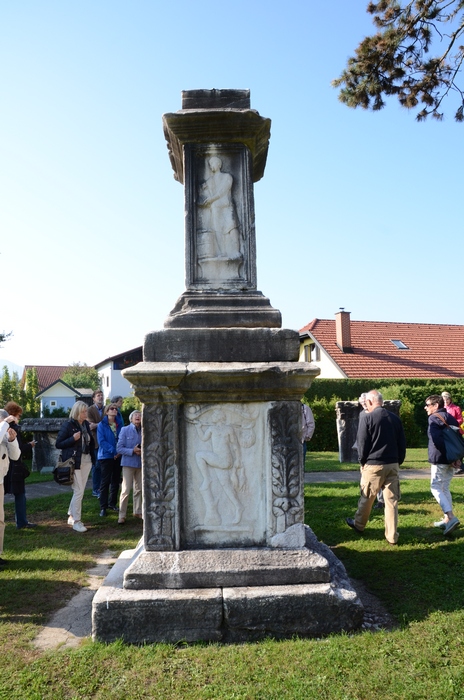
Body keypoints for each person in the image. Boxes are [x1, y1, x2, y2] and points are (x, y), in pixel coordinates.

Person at [346, 390, 406, 545]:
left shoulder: (367, 418)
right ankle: (392, 536)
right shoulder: (395, 418)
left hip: (373, 464)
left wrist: (362, 462)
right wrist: (399, 461)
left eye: (366, 403)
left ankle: (359, 525)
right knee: (391, 501)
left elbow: (362, 443)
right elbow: (402, 443)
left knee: (367, 497)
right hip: (392, 464)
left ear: (371, 402)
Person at [56, 401, 95, 533]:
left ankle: (72, 515)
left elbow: (89, 442)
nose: (86, 413)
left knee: (80, 490)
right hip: (74, 462)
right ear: (77, 412)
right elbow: (58, 444)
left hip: (86, 460)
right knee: (78, 491)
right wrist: (72, 438)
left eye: (86, 411)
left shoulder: (85, 425)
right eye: (83, 411)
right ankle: (77, 521)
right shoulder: (68, 425)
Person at [425, 394, 461, 535]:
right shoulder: (451, 418)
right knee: (445, 487)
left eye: (428, 405)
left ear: (436, 406)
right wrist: (456, 458)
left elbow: (437, 440)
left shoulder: (433, 418)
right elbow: (457, 439)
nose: (426, 408)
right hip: (451, 458)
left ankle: (451, 516)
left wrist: (446, 456)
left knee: (435, 487)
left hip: (440, 458)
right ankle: (447, 519)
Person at [3, 401, 36, 529]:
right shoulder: (14, 429)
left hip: (5, 465)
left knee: (3, 492)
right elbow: (18, 448)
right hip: (15, 466)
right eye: (19, 415)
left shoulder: (3, 427)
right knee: (20, 495)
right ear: (14, 414)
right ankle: (21, 522)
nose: (19, 418)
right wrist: (30, 445)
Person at [0, 411, 21, 566]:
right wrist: (4, 423)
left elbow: (15, 456)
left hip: (0, 482)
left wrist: (12, 439)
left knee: (0, 521)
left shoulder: (4, 433)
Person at [116, 410, 142, 524]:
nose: (138, 416)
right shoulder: (125, 430)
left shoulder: (145, 430)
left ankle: (138, 511)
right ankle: (122, 515)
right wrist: (133, 450)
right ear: (131, 419)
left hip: (141, 464)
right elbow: (119, 448)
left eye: (140, 414)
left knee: (139, 489)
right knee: (125, 490)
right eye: (135, 414)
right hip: (128, 464)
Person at [98, 403, 122, 517]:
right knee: (105, 482)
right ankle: (103, 507)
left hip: (118, 456)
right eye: (111, 409)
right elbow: (101, 441)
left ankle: (112, 503)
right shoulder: (101, 425)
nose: (114, 410)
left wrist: (118, 451)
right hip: (106, 456)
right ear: (106, 411)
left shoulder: (119, 423)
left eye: (116, 409)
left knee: (116, 480)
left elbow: (122, 438)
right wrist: (113, 451)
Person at [87, 389, 105, 497]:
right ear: (93, 398)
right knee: (96, 466)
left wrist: (98, 424)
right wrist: (103, 424)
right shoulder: (90, 410)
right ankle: (95, 488)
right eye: (98, 395)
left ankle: (102, 487)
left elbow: (110, 422)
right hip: (95, 442)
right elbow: (90, 426)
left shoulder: (106, 409)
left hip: (105, 441)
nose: (100, 397)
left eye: (101, 395)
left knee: (104, 466)